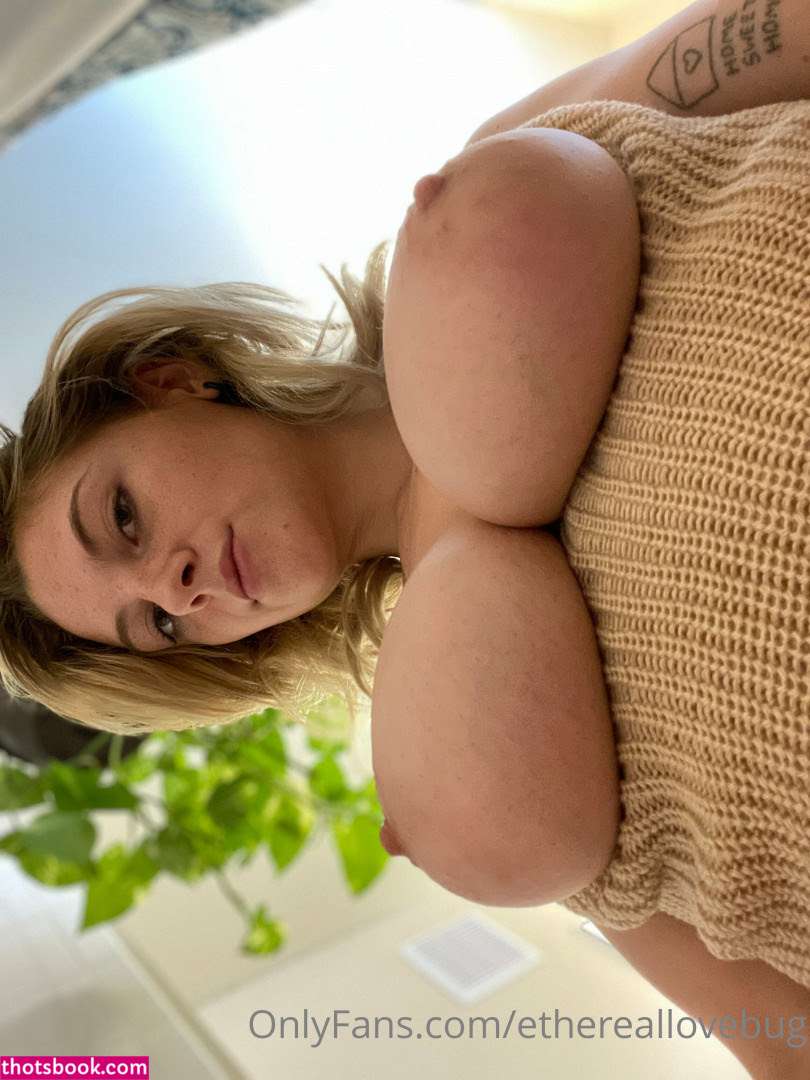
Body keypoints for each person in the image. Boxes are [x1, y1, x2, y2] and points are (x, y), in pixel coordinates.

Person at [2, 0, 810, 1075]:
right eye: (156, 625)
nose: (179, 586)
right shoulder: (503, 757)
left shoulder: (493, 208)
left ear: (171, 381)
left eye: (122, 518)